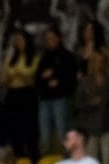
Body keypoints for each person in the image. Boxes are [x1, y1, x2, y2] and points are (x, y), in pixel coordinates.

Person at [36, 25, 78, 156]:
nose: (50, 41)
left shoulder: (67, 56)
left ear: (59, 38)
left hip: (61, 98)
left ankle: (68, 159)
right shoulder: (44, 58)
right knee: (45, 135)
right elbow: (37, 79)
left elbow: (71, 77)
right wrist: (44, 78)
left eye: (53, 38)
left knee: (62, 132)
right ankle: (46, 162)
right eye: (48, 39)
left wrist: (58, 81)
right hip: (45, 99)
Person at [72, 50, 109, 164]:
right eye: (96, 61)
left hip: (107, 125)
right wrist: (90, 103)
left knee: (108, 160)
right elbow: (77, 103)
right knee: (91, 162)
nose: (99, 64)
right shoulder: (84, 82)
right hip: (90, 127)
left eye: (102, 61)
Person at [2, 27, 41, 162]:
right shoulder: (11, 58)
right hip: (13, 94)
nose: (18, 43)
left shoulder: (34, 57)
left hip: (27, 95)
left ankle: (34, 160)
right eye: (16, 40)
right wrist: (10, 76)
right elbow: (4, 79)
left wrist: (20, 75)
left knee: (29, 129)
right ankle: (18, 159)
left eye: (21, 40)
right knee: (14, 129)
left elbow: (34, 80)